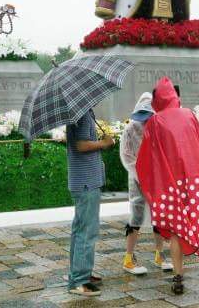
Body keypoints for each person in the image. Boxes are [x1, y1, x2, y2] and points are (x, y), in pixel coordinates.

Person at [137, 78, 199, 298]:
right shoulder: (189, 114)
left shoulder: (155, 121)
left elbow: (148, 157)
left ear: (156, 100)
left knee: (175, 233)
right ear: (174, 96)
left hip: (172, 185)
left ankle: (178, 279)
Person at [119, 92, 173, 275]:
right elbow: (126, 157)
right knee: (136, 215)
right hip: (136, 178)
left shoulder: (159, 128)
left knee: (158, 215)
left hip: (156, 178)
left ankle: (160, 254)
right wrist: (140, 174)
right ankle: (128, 258)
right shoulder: (129, 129)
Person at [66, 109, 115, 298]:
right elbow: (81, 145)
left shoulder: (80, 113)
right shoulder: (82, 114)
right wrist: (104, 143)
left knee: (80, 230)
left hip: (82, 180)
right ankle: (79, 280)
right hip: (86, 181)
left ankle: (79, 273)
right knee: (87, 231)